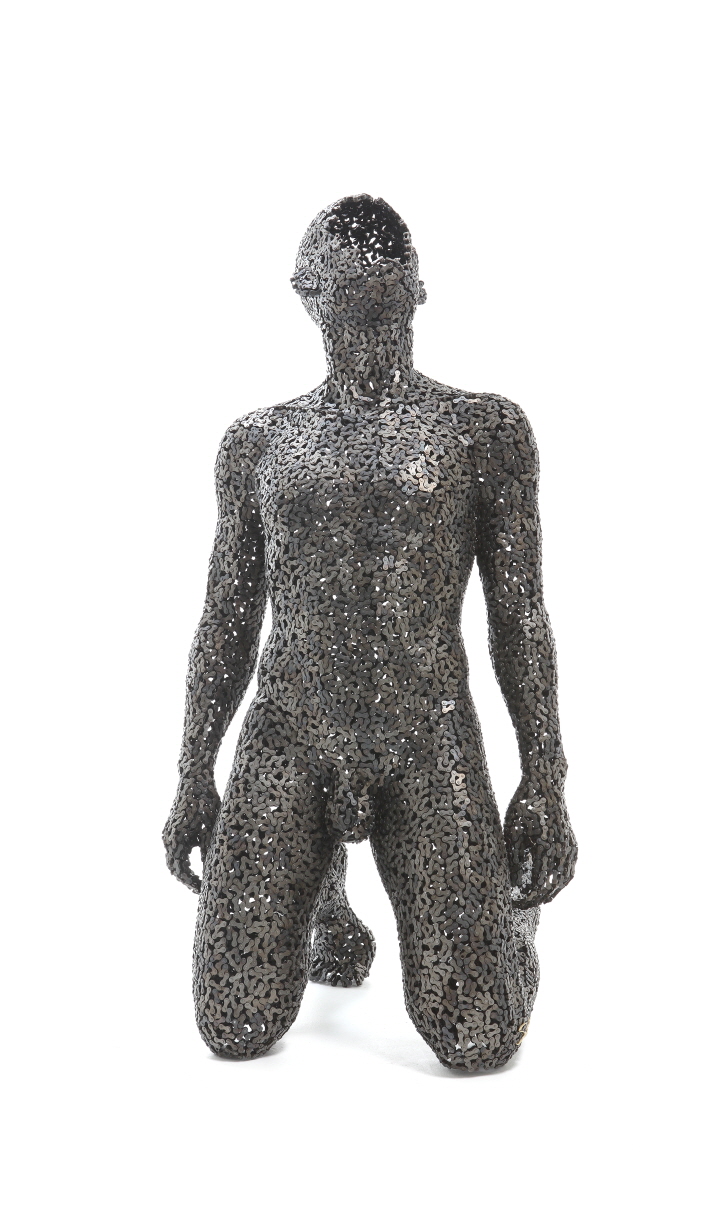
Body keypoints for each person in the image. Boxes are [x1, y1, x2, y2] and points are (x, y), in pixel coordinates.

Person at [162, 195, 577, 1071]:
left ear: (418, 294)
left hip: (426, 734)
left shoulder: (483, 433)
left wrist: (544, 778)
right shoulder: (260, 445)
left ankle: (507, 916)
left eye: (385, 305)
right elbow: (225, 620)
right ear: (307, 299)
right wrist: (195, 771)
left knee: (476, 1035)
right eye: (353, 307)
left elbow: (520, 617)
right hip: (289, 732)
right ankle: (322, 895)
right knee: (233, 1024)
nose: (373, 333)